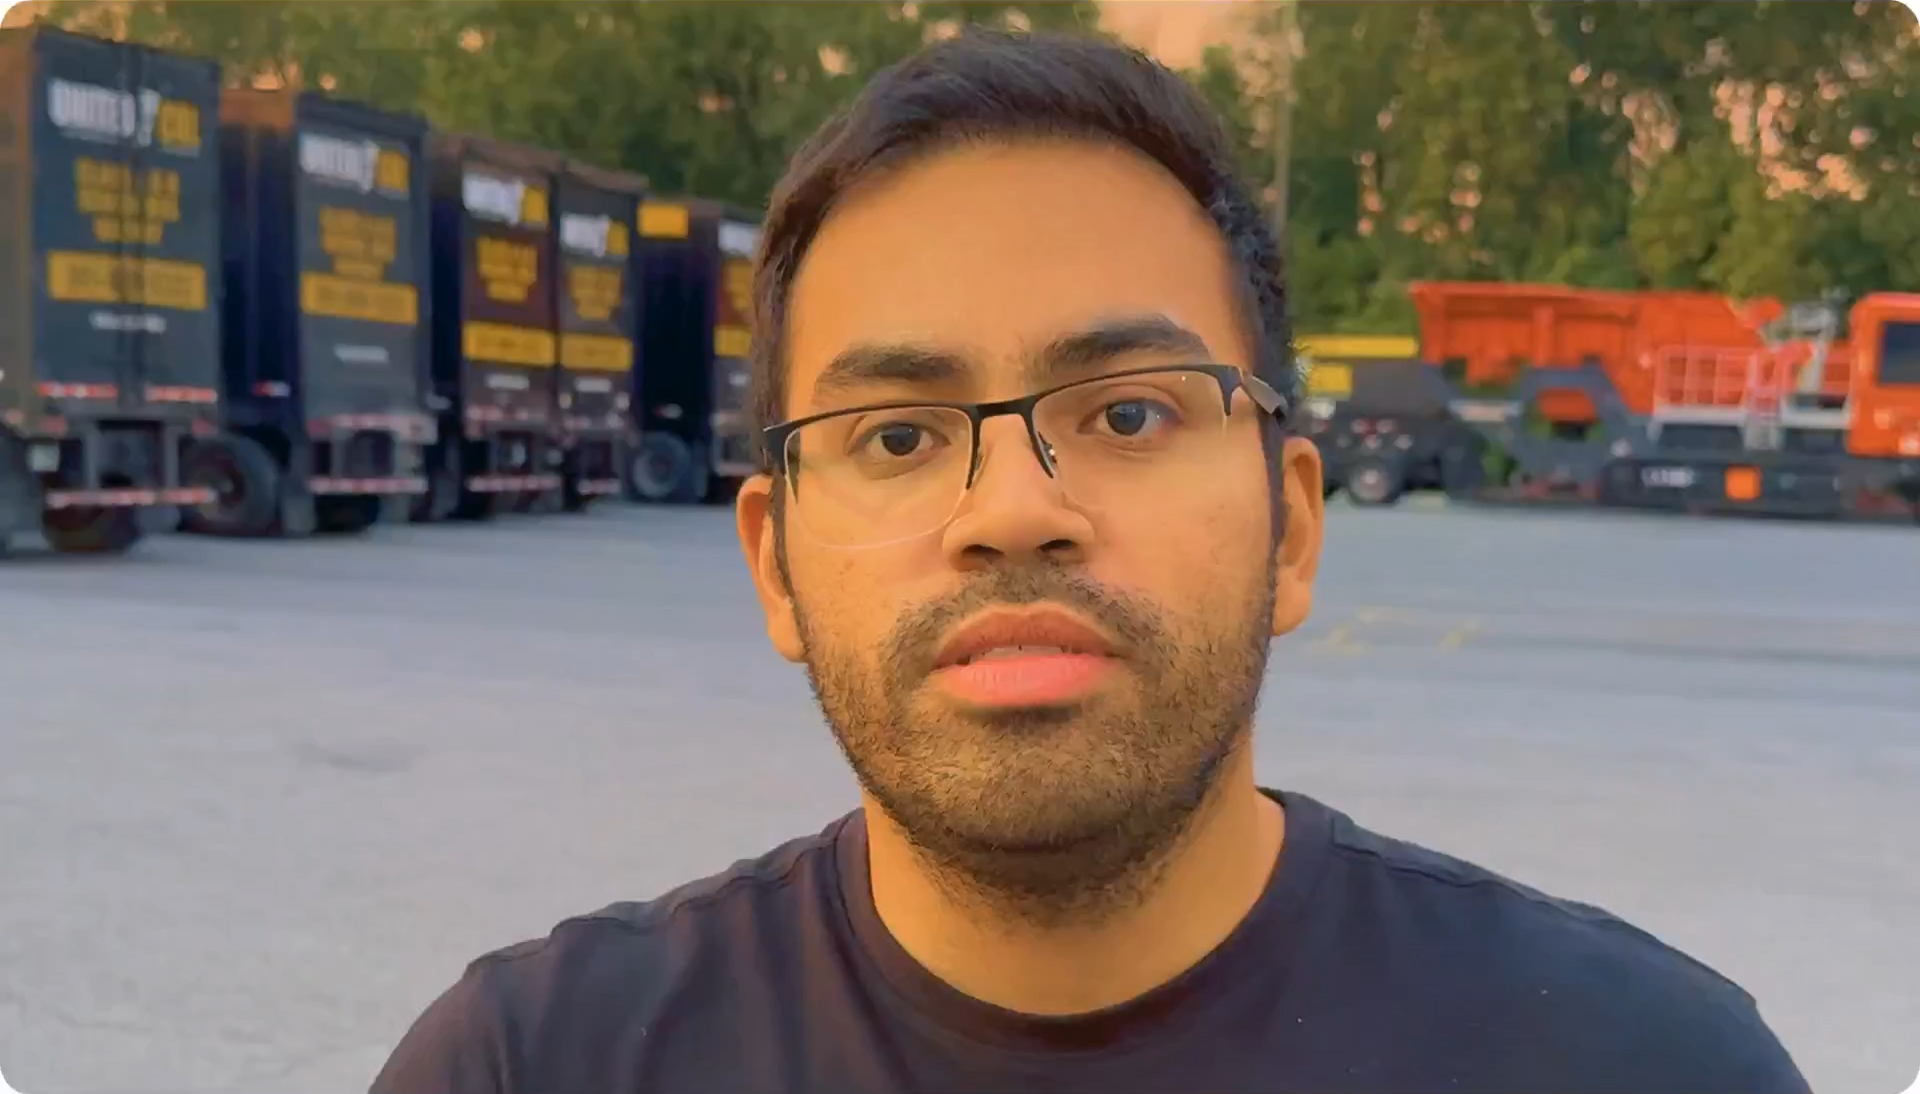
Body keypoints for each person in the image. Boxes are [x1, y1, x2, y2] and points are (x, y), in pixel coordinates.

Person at [372, 28, 1809, 1094]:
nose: (1011, 509)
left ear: (1294, 525)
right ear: (775, 566)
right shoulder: (529, 1067)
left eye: (1127, 413)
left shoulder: (1646, 1065)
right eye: (896, 434)